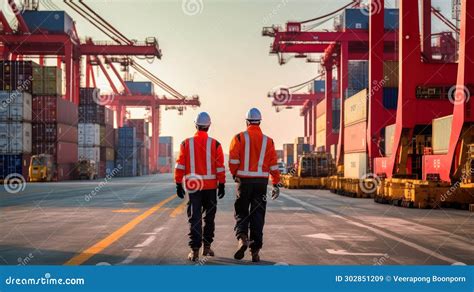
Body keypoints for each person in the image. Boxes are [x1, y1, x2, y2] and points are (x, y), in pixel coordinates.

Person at [228, 108, 281, 262]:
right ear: (259, 121)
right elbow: (273, 165)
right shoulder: (268, 141)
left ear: (247, 122)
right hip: (261, 183)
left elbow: (233, 161)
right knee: (258, 215)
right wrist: (276, 183)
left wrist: (235, 174)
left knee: (242, 211)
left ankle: (242, 238)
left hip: (244, 181)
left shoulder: (238, 138)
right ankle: (255, 251)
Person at [175, 112, 226, 262]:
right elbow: (220, 167)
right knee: (209, 218)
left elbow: (180, 165)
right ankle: (207, 247)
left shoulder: (186, 143)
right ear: (209, 126)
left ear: (195, 125)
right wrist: (221, 184)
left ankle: (194, 250)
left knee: (195, 218)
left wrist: (178, 183)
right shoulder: (215, 144)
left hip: (193, 187)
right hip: (211, 188)